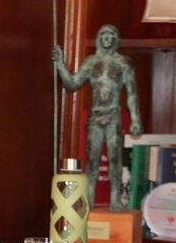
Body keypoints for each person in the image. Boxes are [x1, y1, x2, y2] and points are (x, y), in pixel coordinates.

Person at [52, 24, 142, 211]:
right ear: (99, 38)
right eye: (103, 35)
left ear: (116, 39)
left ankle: (115, 199)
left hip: (113, 115)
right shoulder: (91, 62)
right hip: (95, 115)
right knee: (92, 160)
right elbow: (72, 83)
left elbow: (132, 94)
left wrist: (135, 119)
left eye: (110, 35)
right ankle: (89, 198)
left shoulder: (124, 63)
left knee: (115, 159)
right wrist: (60, 64)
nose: (107, 38)